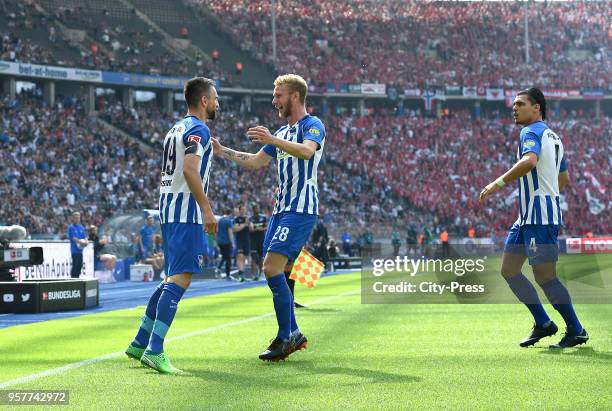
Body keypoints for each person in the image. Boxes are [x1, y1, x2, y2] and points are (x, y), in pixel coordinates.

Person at [213, 74, 325, 361]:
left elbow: (307, 152)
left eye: (279, 95)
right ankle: (292, 332)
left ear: (295, 97)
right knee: (282, 271)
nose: (274, 101)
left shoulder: (312, 126)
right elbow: (255, 161)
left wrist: (272, 138)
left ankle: (286, 336)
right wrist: (221, 151)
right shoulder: (281, 133)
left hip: (300, 210)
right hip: (280, 211)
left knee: (270, 267)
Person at [480, 87, 588, 349]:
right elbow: (563, 179)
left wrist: (497, 183)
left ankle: (576, 329)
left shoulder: (530, 132)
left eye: (520, 104)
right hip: (529, 217)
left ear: (536, 107)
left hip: (539, 217)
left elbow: (529, 162)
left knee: (545, 277)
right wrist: (546, 193)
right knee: (509, 270)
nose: (514, 108)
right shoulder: (554, 137)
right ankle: (543, 323)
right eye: (514, 105)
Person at [126, 76, 219, 373]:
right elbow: (191, 169)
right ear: (203, 100)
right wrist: (206, 209)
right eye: (214, 98)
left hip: (169, 209)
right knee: (181, 279)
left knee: (171, 277)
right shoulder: (198, 129)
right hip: (185, 212)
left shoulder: (176, 128)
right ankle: (155, 349)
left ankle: (141, 340)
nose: (217, 103)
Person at [249, 203, 268, 280]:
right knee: (253, 257)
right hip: (253, 241)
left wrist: (260, 229)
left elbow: (266, 227)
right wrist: (256, 229)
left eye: (258, 208)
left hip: (261, 240)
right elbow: (251, 229)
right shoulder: (250, 218)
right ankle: (253, 274)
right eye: (256, 208)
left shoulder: (263, 217)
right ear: (253, 210)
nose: (257, 209)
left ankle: (261, 273)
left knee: (261, 257)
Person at [232, 204, 250, 282]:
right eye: (242, 209)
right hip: (239, 240)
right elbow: (235, 229)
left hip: (247, 240)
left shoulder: (248, 219)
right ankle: (240, 274)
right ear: (239, 210)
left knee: (245, 258)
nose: (244, 211)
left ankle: (242, 274)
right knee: (240, 256)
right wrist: (244, 225)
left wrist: (249, 224)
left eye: (244, 209)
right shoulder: (236, 219)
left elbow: (252, 228)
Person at [67, 211, 87, 278]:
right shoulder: (71, 227)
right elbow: (73, 238)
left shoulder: (82, 227)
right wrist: (81, 242)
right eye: (75, 218)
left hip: (80, 251)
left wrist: (86, 241)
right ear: (73, 218)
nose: (77, 219)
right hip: (74, 250)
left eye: (78, 218)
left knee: (80, 265)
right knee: (75, 265)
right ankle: (73, 280)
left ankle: (77, 278)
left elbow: (85, 236)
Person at [217, 208, 234, 280]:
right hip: (226, 242)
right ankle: (228, 274)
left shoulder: (220, 220)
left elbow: (216, 231)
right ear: (230, 213)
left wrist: (217, 240)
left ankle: (218, 268)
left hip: (220, 241)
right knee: (228, 258)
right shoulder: (228, 221)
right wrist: (232, 242)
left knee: (224, 256)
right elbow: (230, 232)